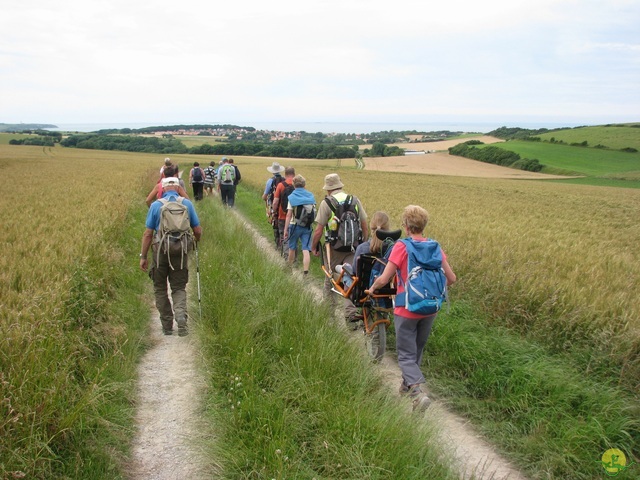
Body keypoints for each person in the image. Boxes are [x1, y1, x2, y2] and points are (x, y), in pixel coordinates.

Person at [368, 205, 456, 413]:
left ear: (406, 227)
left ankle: (417, 393)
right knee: (416, 348)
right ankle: (406, 386)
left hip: (407, 308)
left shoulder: (402, 246)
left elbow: (385, 277)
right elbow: (451, 279)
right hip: (431, 308)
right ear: (423, 226)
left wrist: (372, 288)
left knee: (405, 354)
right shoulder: (435, 246)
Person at [139, 177, 203, 336]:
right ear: (178, 187)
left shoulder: (155, 205)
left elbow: (148, 234)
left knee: (160, 288)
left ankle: (167, 325)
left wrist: (143, 256)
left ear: (163, 189)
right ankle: (181, 317)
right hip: (180, 252)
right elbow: (198, 230)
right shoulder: (187, 204)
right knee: (179, 287)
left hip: (160, 251)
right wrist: (194, 244)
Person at [311, 173, 368, 322]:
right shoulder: (355, 200)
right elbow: (364, 224)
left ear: (328, 189)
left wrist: (314, 246)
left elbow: (318, 230)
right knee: (351, 276)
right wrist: (363, 244)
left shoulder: (327, 203)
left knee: (330, 277)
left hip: (334, 248)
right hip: (353, 247)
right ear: (340, 185)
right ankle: (350, 314)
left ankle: (328, 313)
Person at [337, 211, 391, 292]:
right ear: (388, 228)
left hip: (363, 291)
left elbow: (354, 273)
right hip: (386, 291)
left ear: (371, 227)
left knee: (342, 269)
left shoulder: (362, 248)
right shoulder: (393, 249)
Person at [283, 174, 316, 275]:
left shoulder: (292, 197)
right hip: (307, 226)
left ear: (294, 184)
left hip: (294, 226)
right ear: (304, 184)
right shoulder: (311, 196)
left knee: (292, 247)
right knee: (305, 249)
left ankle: (289, 269)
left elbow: (289, 215)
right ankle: (305, 272)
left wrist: (285, 230)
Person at [271, 166, 295, 257]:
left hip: (282, 215)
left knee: (284, 236)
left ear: (285, 174)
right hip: (294, 216)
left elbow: (276, 201)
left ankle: (286, 256)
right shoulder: (297, 185)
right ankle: (293, 257)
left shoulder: (281, 185)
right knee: (293, 236)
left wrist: (274, 212)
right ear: (294, 174)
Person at [262, 162, 286, 248]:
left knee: (275, 223)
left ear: (272, 171)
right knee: (284, 223)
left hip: (274, 205)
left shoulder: (270, 181)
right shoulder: (285, 180)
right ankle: (285, 243)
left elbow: (265, 196)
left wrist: (266, 200)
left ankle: (278, 244)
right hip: (284, 206)